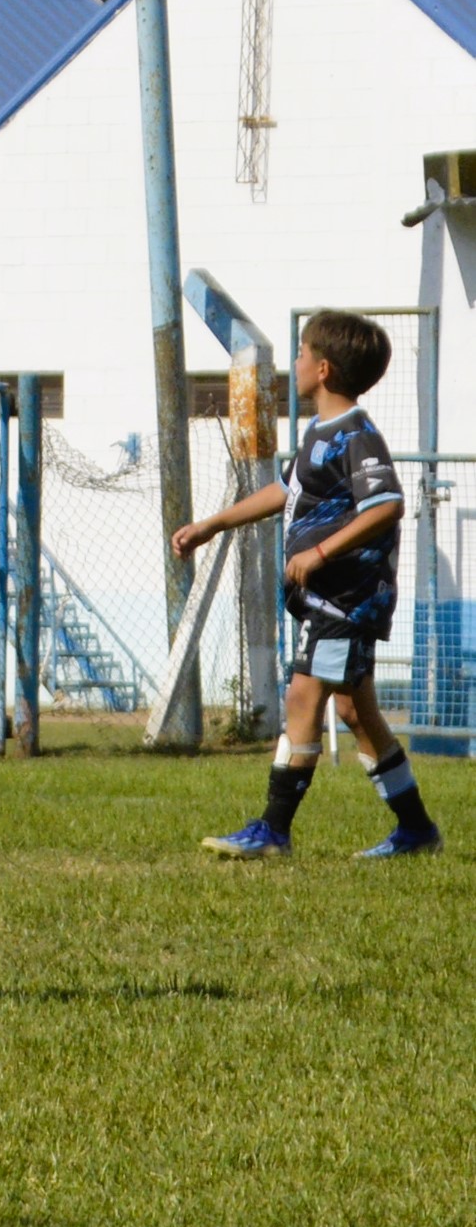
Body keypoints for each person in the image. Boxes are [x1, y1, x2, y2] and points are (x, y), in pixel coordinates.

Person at [176, 309, 440, 860]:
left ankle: (273, 829)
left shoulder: (356, 435)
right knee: (354, 711)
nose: (292, 364)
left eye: (299, 354)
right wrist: (213, 523)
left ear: (321, 368)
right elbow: (286, 492)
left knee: (302, 696)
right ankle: (416, 830)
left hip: (345, 600)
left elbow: (387, 503)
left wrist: (320, 551)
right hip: (331, 601)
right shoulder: (319, 433)